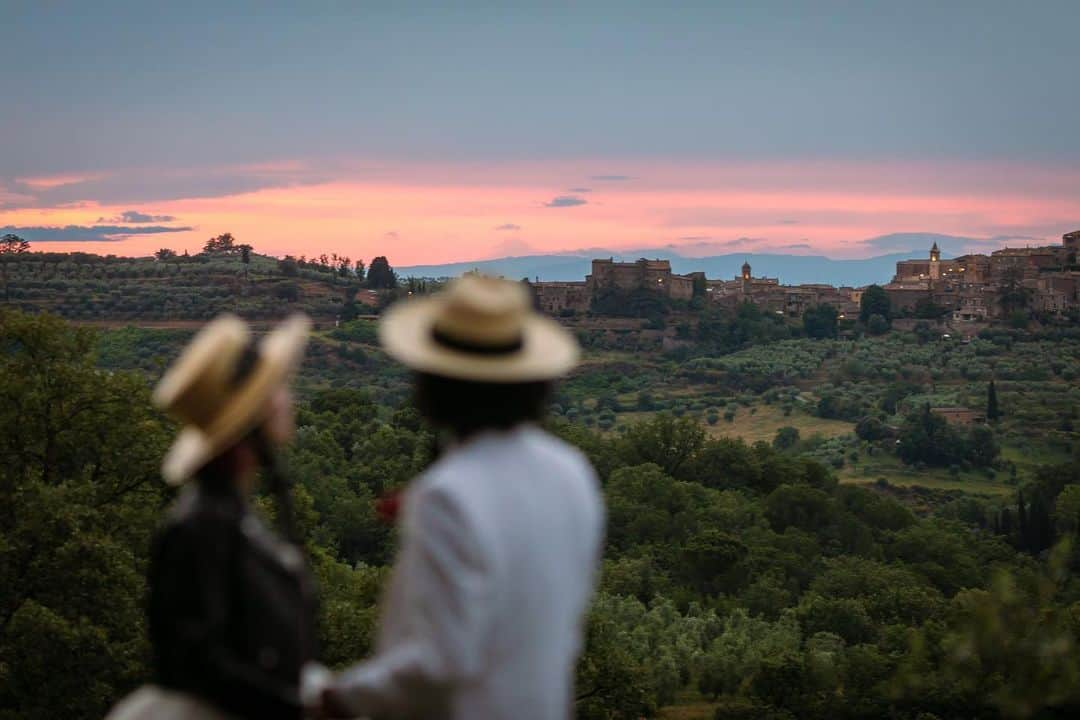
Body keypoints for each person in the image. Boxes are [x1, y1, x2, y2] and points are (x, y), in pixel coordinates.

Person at [314, 275, 605, 720]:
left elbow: (439, 663)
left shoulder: (447, 495)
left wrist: (336, 697)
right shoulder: (572, 471)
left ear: (435, 384)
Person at [107, 313, 318, 720]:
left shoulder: (223, 517)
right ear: (250, 421)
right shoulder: (202, 528)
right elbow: (202, 663)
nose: (287, 397)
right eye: (275, 389)